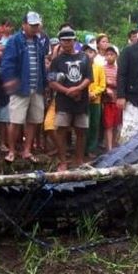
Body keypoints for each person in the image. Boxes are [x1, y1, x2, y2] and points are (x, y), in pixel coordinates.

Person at [2, 12, 48, 163]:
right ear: (24, 25)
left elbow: (42, 64)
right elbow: (7, 63)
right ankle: (11, 151)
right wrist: (10, 80)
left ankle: (27, 150)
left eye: (37, 25)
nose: (35, 28)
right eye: (32, 25)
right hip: (20, 87)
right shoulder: (14, 41)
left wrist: (45, 84)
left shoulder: (39, 41)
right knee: (15, 120)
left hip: (37, 86)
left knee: (33, 120)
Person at [48, 27, 92, 171]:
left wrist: (78, 88)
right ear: (60, 42)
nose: (67, 43)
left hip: (81, 99)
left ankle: (78, 160)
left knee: (81, 131)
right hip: (63, 101)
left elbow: (89, 78)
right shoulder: (57, 60)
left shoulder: (85, 57)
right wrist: (67, 91)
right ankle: (63, 161)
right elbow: (51, 81)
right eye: (64, 40)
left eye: (69, 40)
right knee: (61, 130)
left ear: (74, 40)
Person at [83, 43, 105, 157]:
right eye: (86, 51)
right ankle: (82, 148)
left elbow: (102, 85)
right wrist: (86, 93)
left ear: (95, 54)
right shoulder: (81, 66)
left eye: (91, 52)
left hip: (96, 100)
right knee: (83, 124)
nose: (88, 54)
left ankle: (91, 148)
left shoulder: (99, 68)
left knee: (94, 125)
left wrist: (94, 93)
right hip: (83, 99)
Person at [102, 45, 121, 151]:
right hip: (107, 101)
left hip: (117, 100)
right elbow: (100, 82)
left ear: (116, 56)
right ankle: (109, 148)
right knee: (108, 125)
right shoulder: (102, 69)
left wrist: (112, 83)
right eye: (107, 55)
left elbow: (121, 83)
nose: (109, 57)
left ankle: (113, 146)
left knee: (116, 124)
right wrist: (106, 86)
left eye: (112, 54)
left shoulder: (119, 69)